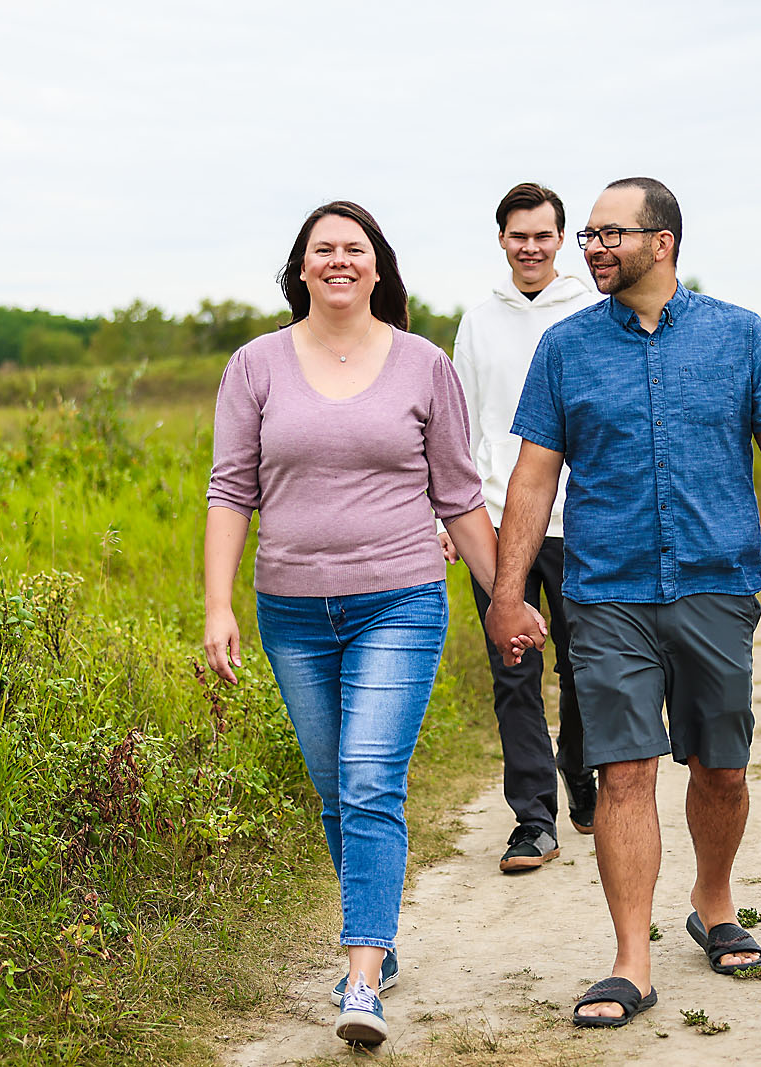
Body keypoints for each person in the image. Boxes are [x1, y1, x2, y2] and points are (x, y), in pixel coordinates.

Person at [484, 177, 761, 1028]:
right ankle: (630, 959)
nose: (592, 248)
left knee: (721, 764)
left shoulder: (739, 336)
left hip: (716, 584)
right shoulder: (567, 348)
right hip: (607, 590)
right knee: (624, 769)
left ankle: (715, 903)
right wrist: (508, 594)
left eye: (609, 234)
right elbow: (534, 477)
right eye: (589, 236)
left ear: (663, 240)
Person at [202, 200, 542, 1046]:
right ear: (303, 268)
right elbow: (230, 491)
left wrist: (506, 594)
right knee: (333, 790)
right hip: (291, 609)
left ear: (379, 267)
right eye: (324, 250)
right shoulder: (255, 365)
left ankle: (361, 974)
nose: (340, 261)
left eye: (355, 249)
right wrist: (217, 605)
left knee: (366, 780)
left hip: (400, 597)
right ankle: (376, 932)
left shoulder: (424, 364)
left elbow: (459, 493)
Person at [438, 182, 602, 873]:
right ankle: (533, 819)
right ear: (501, 240)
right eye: (517, 235)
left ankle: (578, 763)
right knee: (514, 671)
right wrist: (449, 515)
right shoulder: (478, 321)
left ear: (561, 239)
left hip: (583, 521)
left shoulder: (594, 312)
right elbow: (461, 424)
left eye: (542, 235)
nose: (530, 247)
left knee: (587, 668)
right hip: (499, 523)